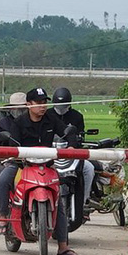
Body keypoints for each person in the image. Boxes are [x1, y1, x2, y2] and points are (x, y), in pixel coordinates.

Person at [0, 88, 79, 255]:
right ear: (29, 105)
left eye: (45, 102)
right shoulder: (19, 123)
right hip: (22, 164)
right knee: (2, 180)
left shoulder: (51, 119)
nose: (43, 106)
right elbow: (14, 144)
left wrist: (72, 144)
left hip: (46, 165)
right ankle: (2, 216)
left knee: (58, 198)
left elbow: (67, 131)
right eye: (38, 103)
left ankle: (62, 246)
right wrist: (13, 151)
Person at [48, 87, 95, 220]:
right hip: (51, 154)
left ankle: (84, 200)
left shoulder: (77, 116)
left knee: (89, 168)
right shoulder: (48, 115)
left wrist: (73, 146)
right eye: (58, 105)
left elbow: (80, 137)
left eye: (64, 106)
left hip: (72, 155)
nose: (61, 108)